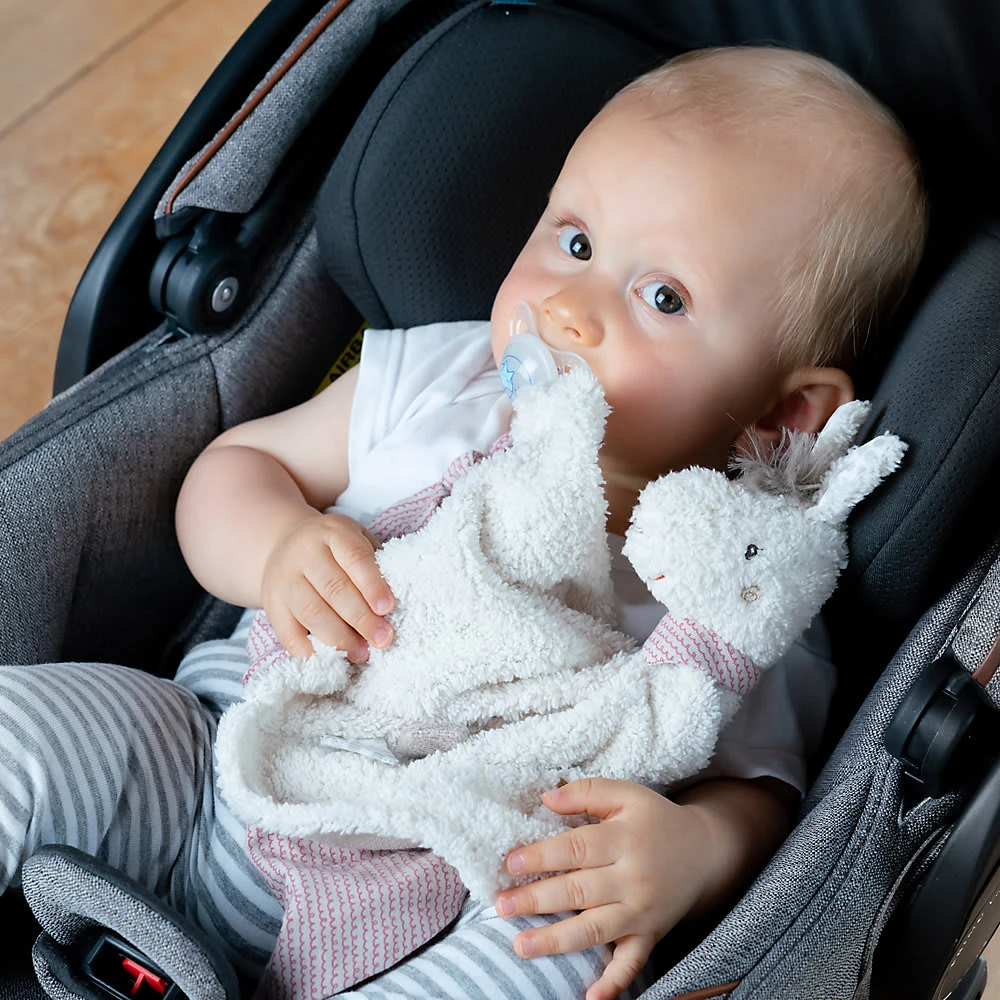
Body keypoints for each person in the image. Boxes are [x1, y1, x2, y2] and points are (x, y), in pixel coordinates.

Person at [0, 45, 924, 1000]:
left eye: (662, 297)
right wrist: (276, 543)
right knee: (28, 731)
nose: (568, 309)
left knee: (568, 943)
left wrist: (693, 848)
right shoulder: (442, 381)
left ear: (783, 415)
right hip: (217, 765)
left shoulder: (737, 582)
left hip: (456, 887)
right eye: (575, 242)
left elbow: (766, 799)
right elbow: (232, 472)